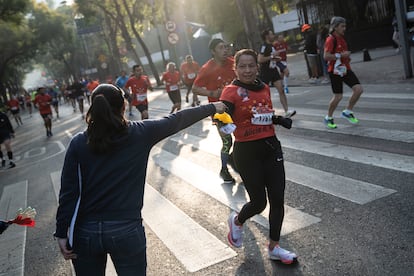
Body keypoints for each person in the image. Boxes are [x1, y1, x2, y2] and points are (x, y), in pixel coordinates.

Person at [54, 83, 226, 275]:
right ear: (123, 107)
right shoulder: (140, 132)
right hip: (126, 230)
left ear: (93, 108)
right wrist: (213, 107)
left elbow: (68, 192)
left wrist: (61, 232)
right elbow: (177, 119)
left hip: (85, 233)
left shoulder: (78, 142)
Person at [220, 49, 297, 264]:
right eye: (242, 66)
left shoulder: (263, 87)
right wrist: (224, 123)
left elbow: (262, 113)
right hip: (247, 152)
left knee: (278, 199)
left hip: (271, 147)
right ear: (235, 68)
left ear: (257, 67)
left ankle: (274, 247)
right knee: (259, 203)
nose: (247, 70)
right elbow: (221, 115)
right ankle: (237, 221)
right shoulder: (230, 91)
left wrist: (278, 119)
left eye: (251, 65)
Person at [193, 38, 237, 183]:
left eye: (226, 47)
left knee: (244, 137)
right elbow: (195, 88)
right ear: (213, 51)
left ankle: (235, 159)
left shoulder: (233, 63)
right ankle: (224, 170)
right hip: (220, 112)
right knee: (227, 141)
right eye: (220, 48)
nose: (225, 50)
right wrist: (213, 94)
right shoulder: (207, 68)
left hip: (237, 107)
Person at [323, 16, 363, 129]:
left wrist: (346, 58)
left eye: (345, 26)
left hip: (345, 69)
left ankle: (348, 111)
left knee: (358, 89)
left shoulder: (342, 38)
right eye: (342, 26)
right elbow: (326, 56)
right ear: (335, 27)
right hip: (334, 71)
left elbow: (342, 53)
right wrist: (341, 55)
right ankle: (328, 118)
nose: (344, 28)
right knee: (338, 96)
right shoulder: (331, 39)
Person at [258, 29, 296, 118]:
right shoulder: (264, 46)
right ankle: (266, 112)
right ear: (267, 36)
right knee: (264, 94)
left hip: (274, 70)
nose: (273, 36)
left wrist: (279, 63)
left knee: (281, 90)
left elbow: (272, 58)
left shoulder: (272, 45)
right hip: (265, 72)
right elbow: (260, 59)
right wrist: (272, 56)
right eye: (271, 34)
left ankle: (287, 111)